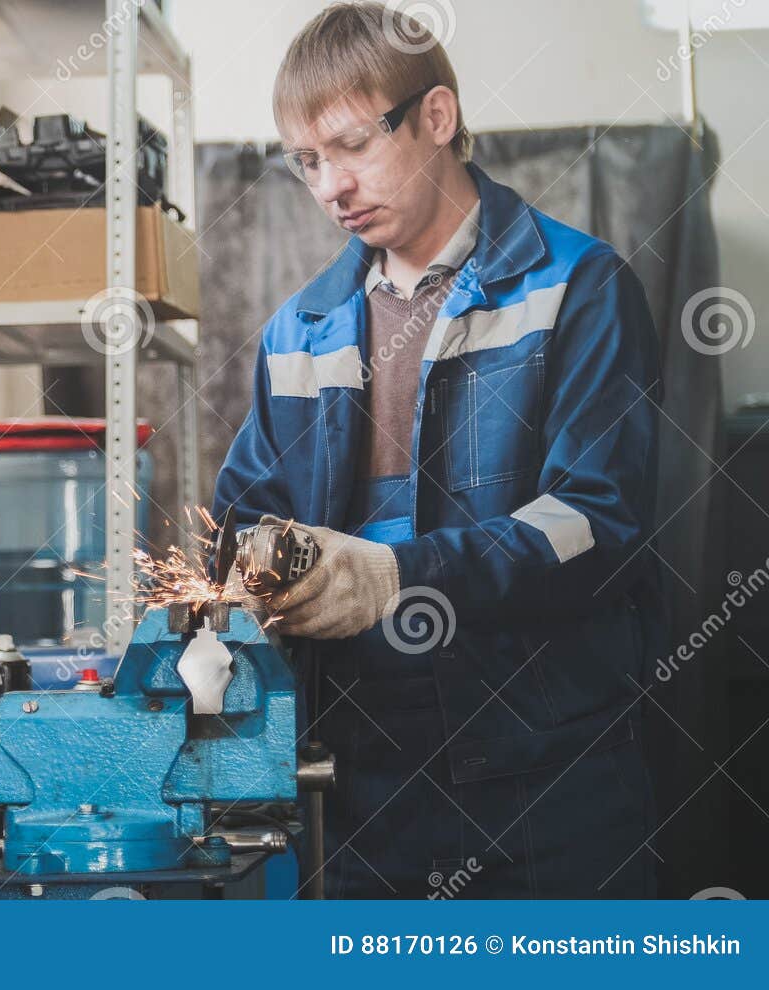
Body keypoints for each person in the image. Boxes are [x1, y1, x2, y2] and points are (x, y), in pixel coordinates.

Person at [211, 1, 663, 898]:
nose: (331, 186)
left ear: (438, 116)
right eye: (307, 161)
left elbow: (596, 524)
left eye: (352, 145)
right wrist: (252, 569)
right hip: (358, 792)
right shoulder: (300, 330)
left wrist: (394, 576)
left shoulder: (576, 287)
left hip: (547, 788)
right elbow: (241, 519)